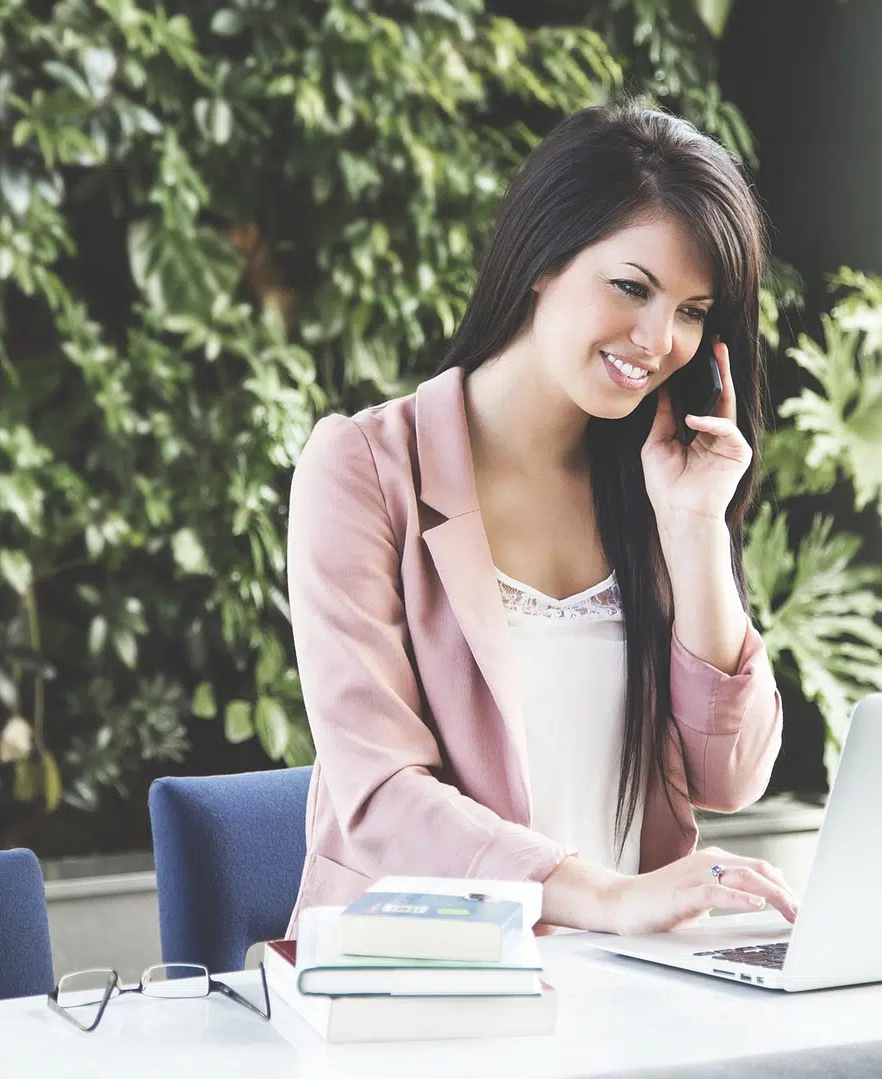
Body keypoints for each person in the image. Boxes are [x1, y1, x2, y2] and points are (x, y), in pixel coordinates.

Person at [286, 102, 798, 938]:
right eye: (631, 287)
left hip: (629, 989)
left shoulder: (655, 483)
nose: (659, 338)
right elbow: (378, 793)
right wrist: (601, 894)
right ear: (540, 261)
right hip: (423, 983)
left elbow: (732, 776)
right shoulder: (365, 469)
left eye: (693, 309)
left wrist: (697, 530)